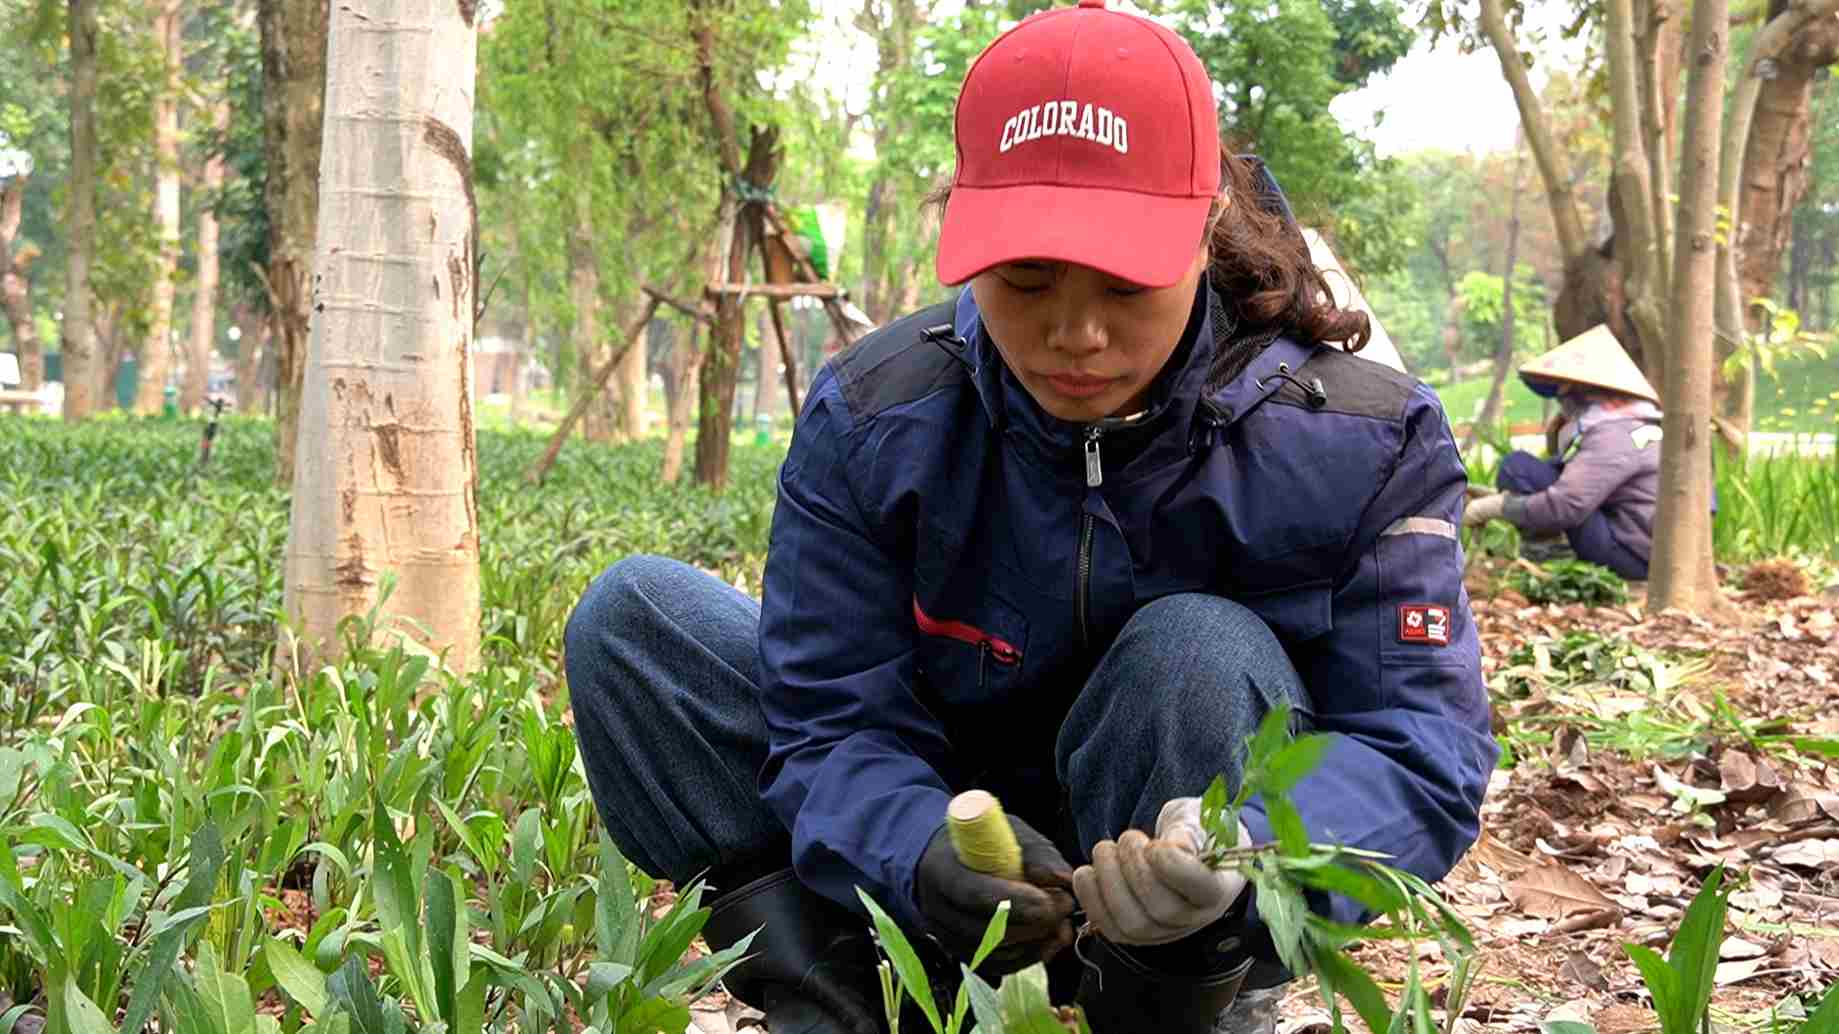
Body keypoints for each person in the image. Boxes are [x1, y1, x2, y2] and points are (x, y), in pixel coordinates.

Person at [564, 3, 1496, 1032]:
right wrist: (914, 842)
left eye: (1126, 282)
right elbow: (827, 718)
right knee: (634, 622)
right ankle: (859, 996)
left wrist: (1248, 853)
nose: (1076, 333)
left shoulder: (1363, 440)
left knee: (1195, 648)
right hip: (959, 845)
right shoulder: (877, 417)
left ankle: (1180, 996)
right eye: (1028, 278)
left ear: (1204, 227)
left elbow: (1419, 751)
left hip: (1180, 873)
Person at [1462, 324, 1662, 580]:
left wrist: (1497, 507)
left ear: (1589, 396)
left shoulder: (1613, 433)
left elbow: (1568, 503)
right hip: (1646, 547)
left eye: (1566, 398)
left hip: (1630, 555)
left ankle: (1550, 553)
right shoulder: (1642, 423)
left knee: (1518, 468)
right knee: (1528, 469)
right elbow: (1575, 477)